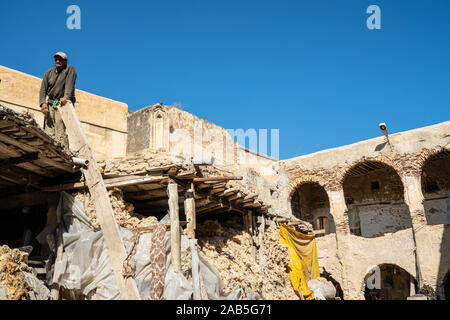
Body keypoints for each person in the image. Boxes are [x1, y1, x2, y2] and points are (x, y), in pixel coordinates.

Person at [39, 52, 77, 146]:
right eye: (56, 59)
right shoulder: (49, 72)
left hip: (62, 104)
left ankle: (62, 148)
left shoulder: (69, 69)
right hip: (51, 103)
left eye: (60, 59)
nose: (58, 61)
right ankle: (49, 149)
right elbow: (43, 89)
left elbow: (69, 85)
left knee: (60, 128)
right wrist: (43, 104)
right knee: (49, 129)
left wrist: (66, 97)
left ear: (65, 61)